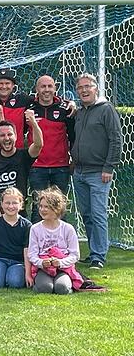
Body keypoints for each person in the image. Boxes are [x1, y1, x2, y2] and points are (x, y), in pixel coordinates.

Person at [71, 73, 122, 269]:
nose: (84, 90)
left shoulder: (106, 110)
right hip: (80, 172)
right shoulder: (81, 112)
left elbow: (116, 140)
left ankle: (99, 256)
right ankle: (93, 251)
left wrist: (109, 167)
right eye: (80, 87)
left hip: (99, 172)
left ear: (96, 88)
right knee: (87, 214)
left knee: (98, 214)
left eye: (87, 86)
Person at [26, 75, 74, 222]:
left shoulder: (65, 109)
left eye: (50, 86)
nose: (46, 90)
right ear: (37, 89)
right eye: (43, 86)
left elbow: (72, 137)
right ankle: (35, 243)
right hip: (36, 166)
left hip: (60, 166)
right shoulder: (29, 109)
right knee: (38, 206)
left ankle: (61, 243)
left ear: (55, 88)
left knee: (59, 206)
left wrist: (74, 159)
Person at [0, 111, 43, 221]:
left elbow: (38, 145)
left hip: (17, 207)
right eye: (2, 135)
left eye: (10, 134)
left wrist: (33, 123)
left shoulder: (23, 156)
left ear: (16, 136)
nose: (6, 138)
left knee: (17, 225)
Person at [28, 187, 82, 294]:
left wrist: (60, 262)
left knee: (62, 288)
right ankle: (39, 284)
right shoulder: (35, 228)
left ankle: (69, 283)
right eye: (41, 206)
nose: (42, 209)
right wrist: (42, 263)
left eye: (47, 207)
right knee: (45, 288)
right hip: (43, 268)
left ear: (57, 209)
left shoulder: (68, 229)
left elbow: (75, 255)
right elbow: (32, 254)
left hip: (63, 268)